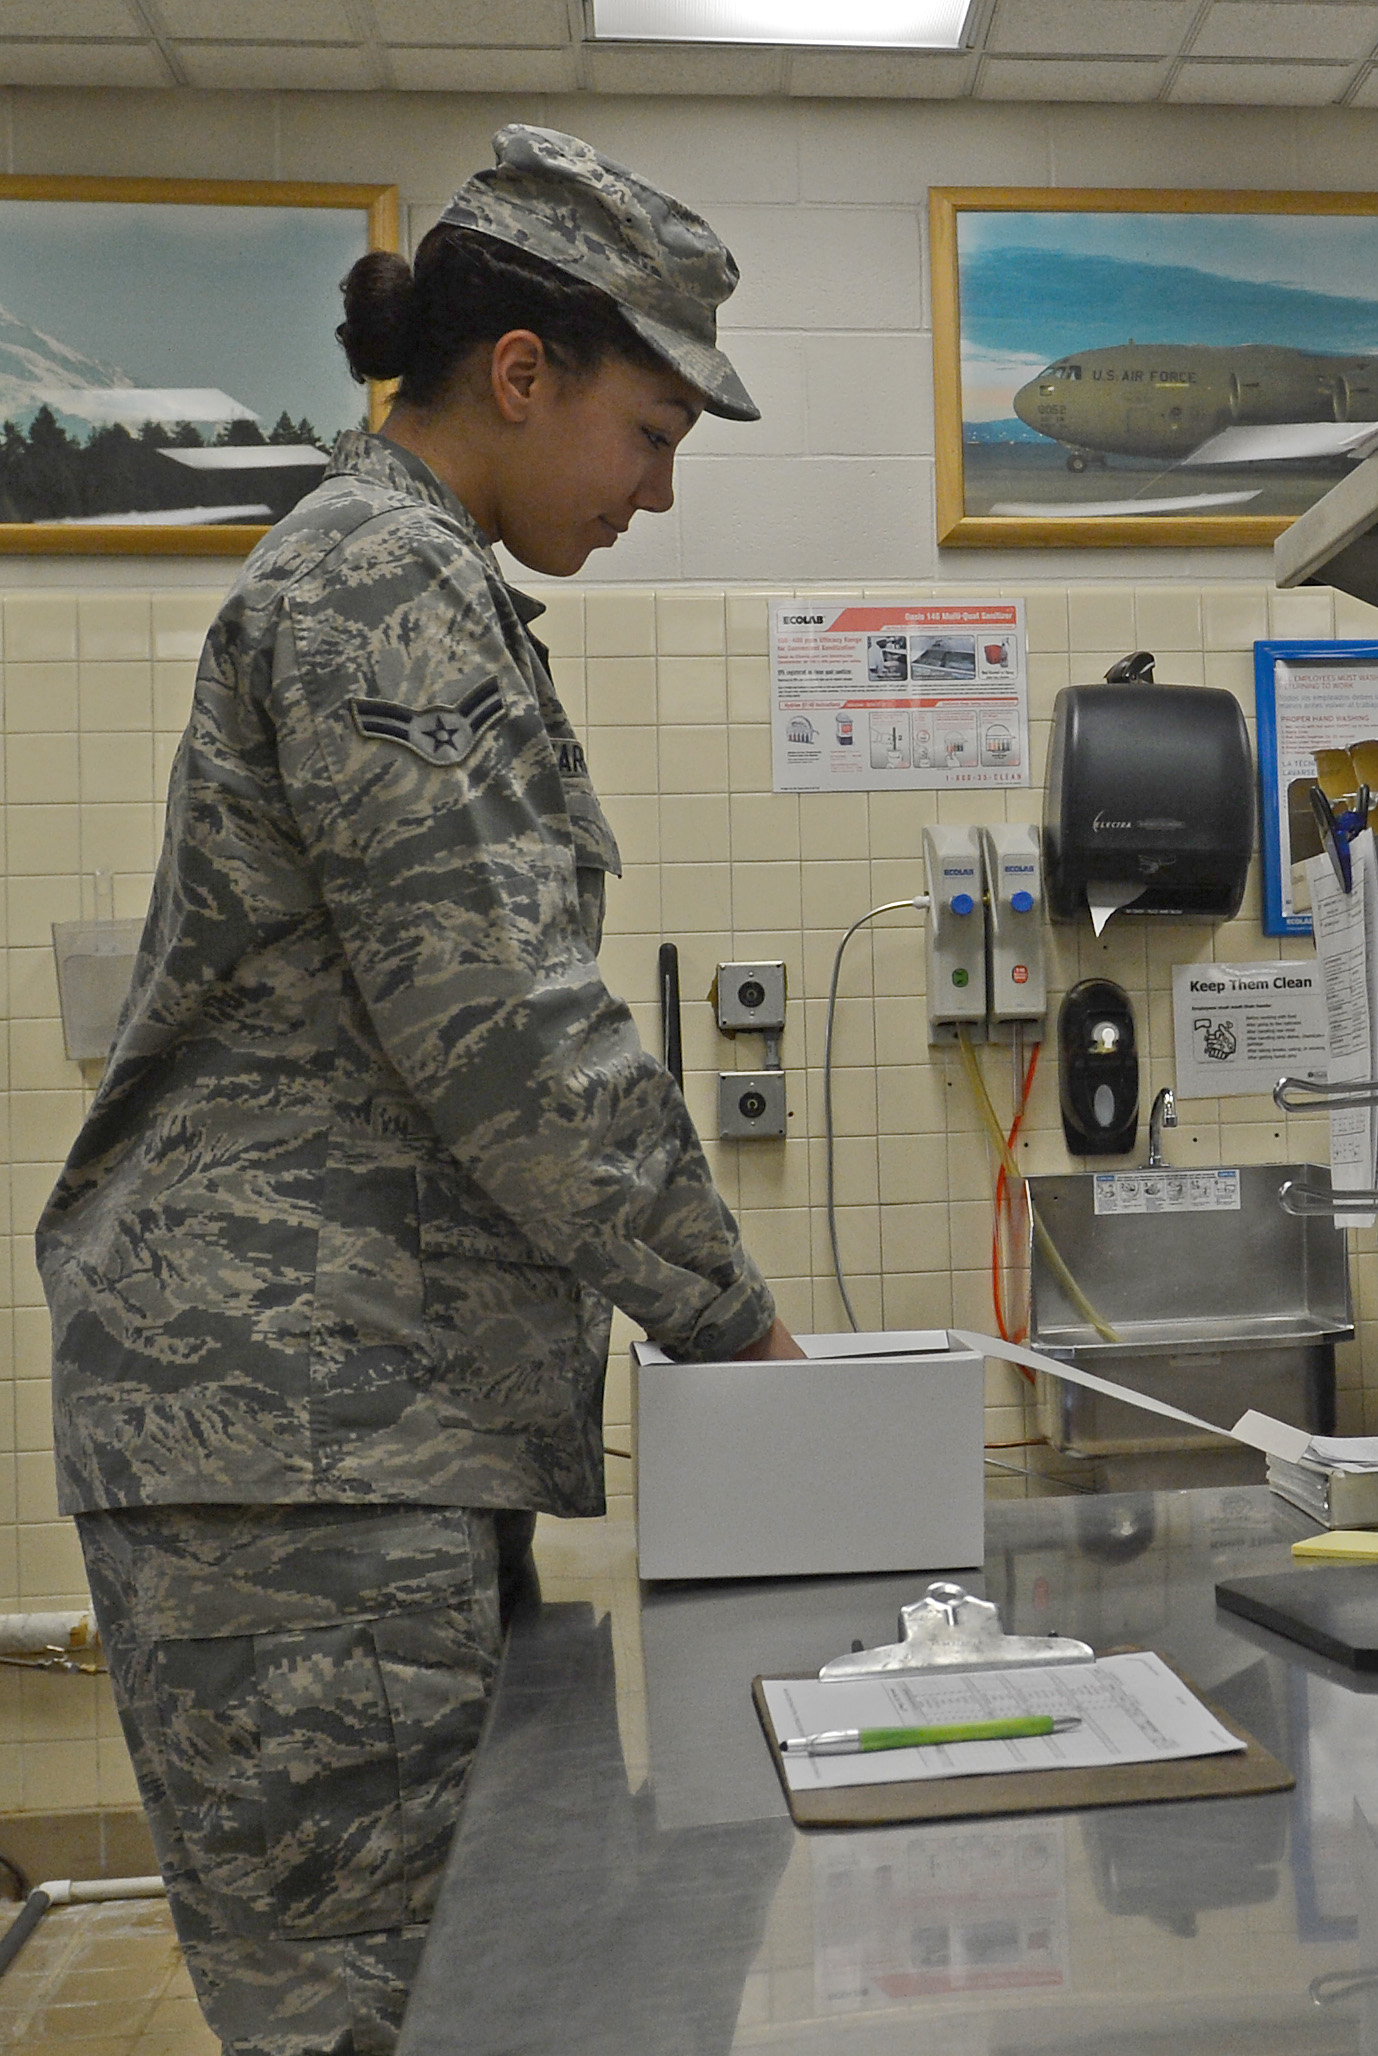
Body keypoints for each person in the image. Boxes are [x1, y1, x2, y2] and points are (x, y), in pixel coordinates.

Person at [37, 125, 802, 2056]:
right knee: (374, 2020)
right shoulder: (382, 588)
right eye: (648, 434)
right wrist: (736, 1328)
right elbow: (513, 1030)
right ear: (521, 371)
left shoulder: (405, 577)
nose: (655, 492)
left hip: (352, 1440)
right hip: (304, 1446)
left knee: (460, 2001)